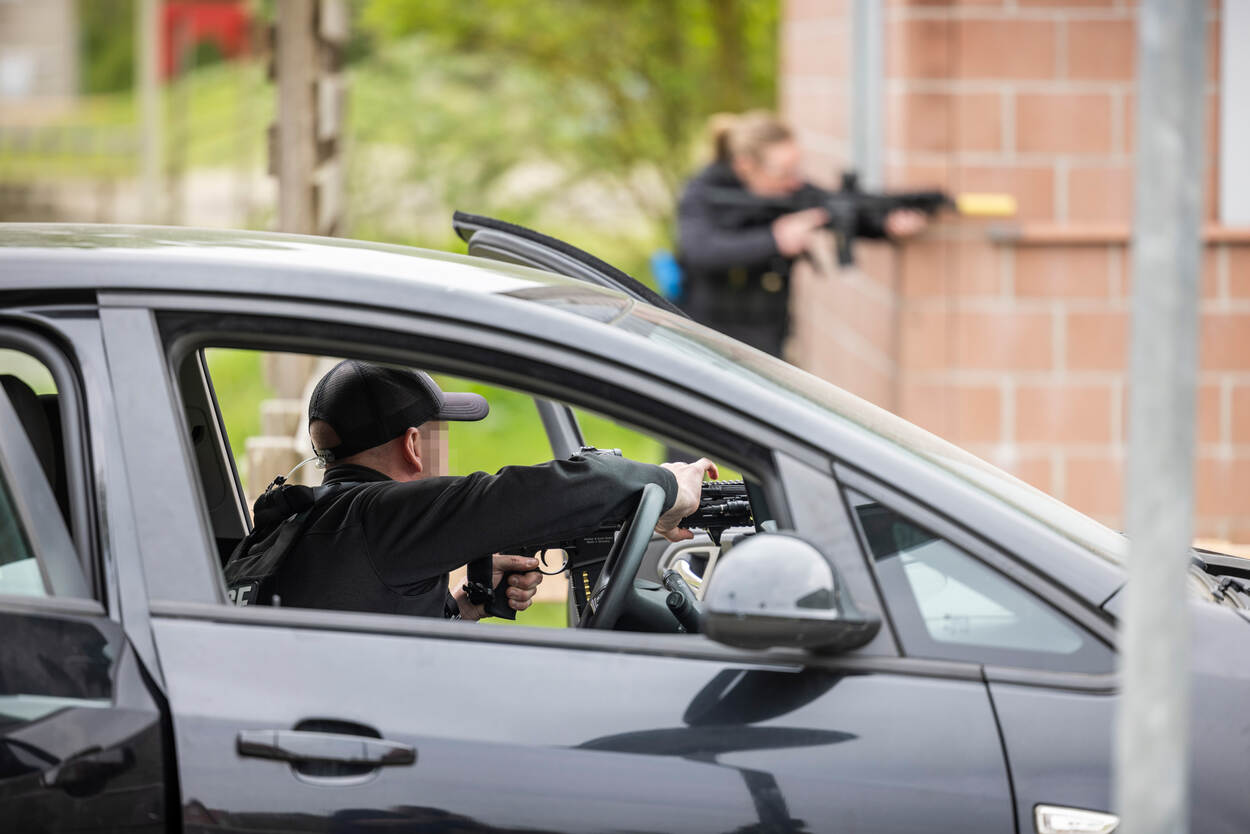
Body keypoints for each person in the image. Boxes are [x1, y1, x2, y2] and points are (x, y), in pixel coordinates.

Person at [262, 359, 716, 621]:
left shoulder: (308, 517)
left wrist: (463, 606)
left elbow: (362, 631)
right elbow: (540, 493)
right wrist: (669, 484)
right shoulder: (381, 517)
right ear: (413, 445)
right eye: (439, 433)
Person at [676, 110, 927, 358]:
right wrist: (775, 240)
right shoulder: (704, 193)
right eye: (783, 172)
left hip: (767, 339)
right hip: (707, 338)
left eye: (795, 169)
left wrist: (885, 224)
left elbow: (836, 209)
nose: (795, 181)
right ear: (745, 165)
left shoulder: (789, 191)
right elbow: (701, 250)